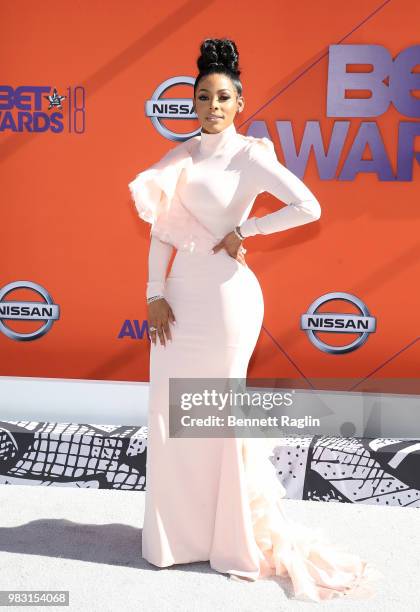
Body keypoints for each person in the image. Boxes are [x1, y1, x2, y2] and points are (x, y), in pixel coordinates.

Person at [128, 37, 383, 603]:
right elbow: (160, 231)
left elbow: (308, 206)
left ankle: (229, 539)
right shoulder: (180, 157)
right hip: (176, 299)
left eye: (222, 97)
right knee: (170, 413)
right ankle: (174, 540)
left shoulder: (251, 157)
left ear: (239, 102)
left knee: (217, 417)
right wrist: (152, 293)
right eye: (202, 97)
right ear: (191, 102)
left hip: (226, 301)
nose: (211, 106)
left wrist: (247, 232)